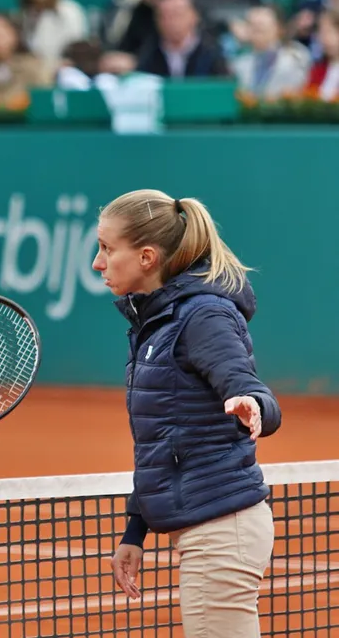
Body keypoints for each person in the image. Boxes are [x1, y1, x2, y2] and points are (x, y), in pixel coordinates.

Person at [91, 189, 282, 638]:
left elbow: (251, 390)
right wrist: (135, 530)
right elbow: (165, 440)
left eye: (106, 248)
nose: (98, 263)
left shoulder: (202, 317)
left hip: (221, 532)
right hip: (209, 526)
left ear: (146, 257)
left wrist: (253, 405)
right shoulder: (158, 323)